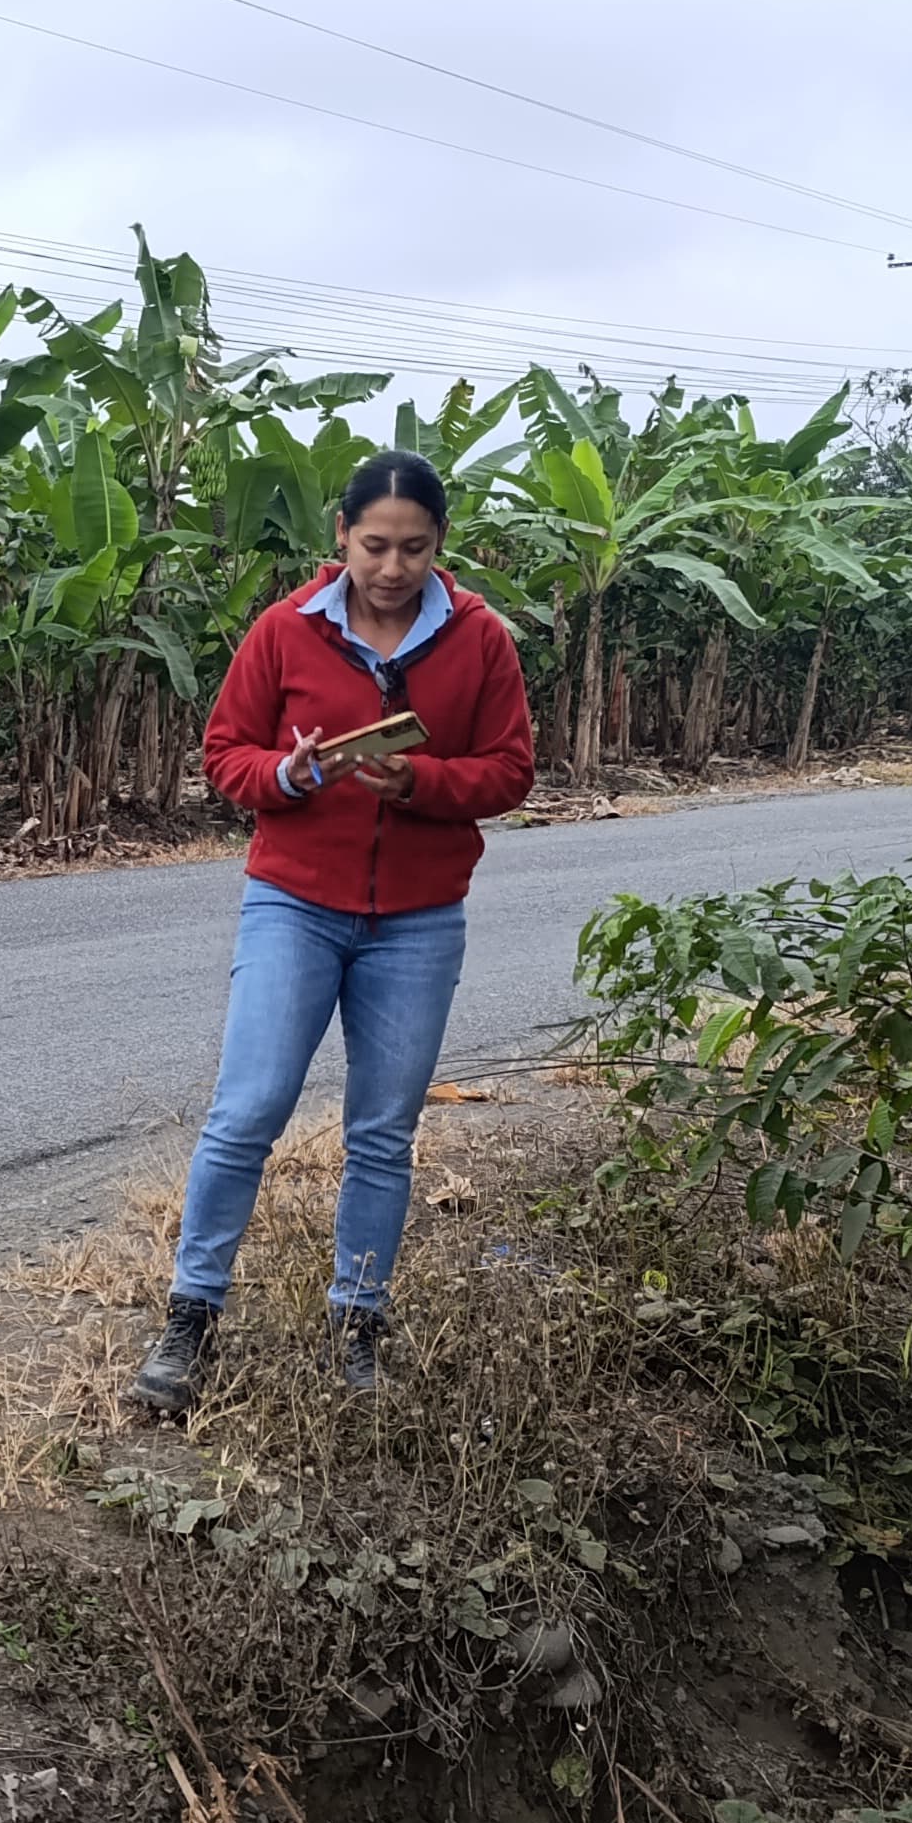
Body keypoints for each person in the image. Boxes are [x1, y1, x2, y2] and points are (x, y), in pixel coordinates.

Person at [132, 449, 538, 1417]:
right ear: (342, 537)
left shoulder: (481, 641)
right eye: (375, 546)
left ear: (441, 544)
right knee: (248, 1110)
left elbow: (510, 769)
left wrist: (420, 782)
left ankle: (359, 1324)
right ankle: (192, 1315)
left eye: (414, 548)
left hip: (419, 920)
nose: (393, 568)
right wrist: (286, 774)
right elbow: (225, 753)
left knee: (383, 1132)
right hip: (295, 903)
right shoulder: (285, 631)